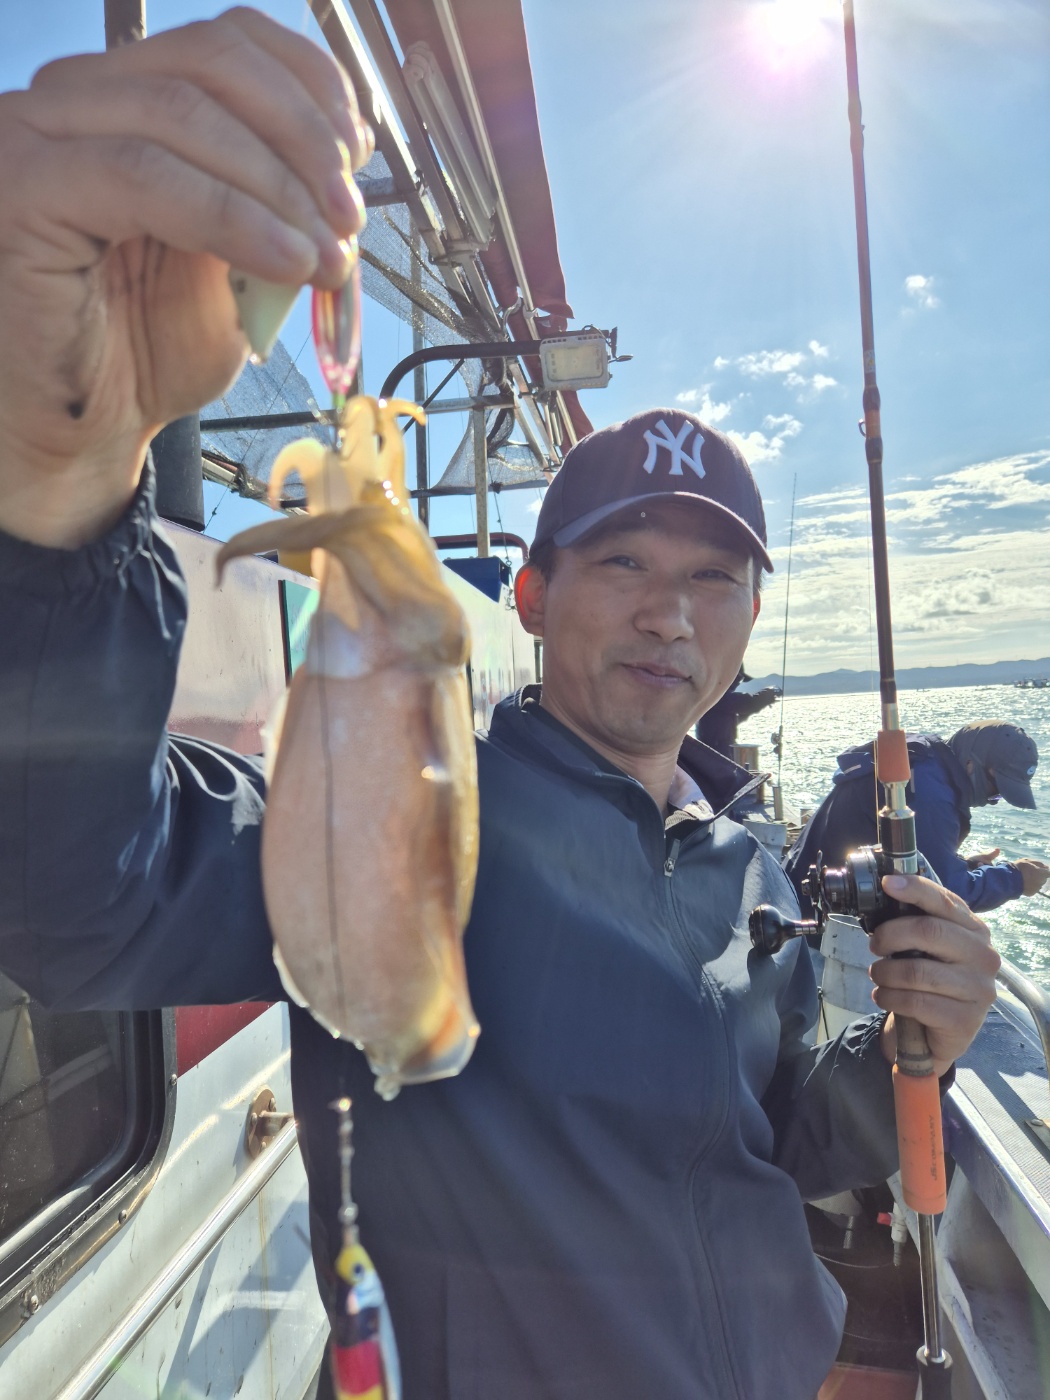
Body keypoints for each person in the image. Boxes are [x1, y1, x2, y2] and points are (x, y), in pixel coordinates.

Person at [0, 13, 1000, 1400]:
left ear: (747, 619)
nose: (670, 614)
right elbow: (83, 901)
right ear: (527, 598)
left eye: (713, 579)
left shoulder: (746, 859)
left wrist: (913, 1050)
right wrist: (59, 483)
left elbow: (780, 1138)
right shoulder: (405, 820)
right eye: (624, 565)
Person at [785, 723, 1048, 917]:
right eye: (996, 792)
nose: (992, 800)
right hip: (816, 922)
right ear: (971, 765)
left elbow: (908, 859)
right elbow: (944, 894)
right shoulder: (932, 796)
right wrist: (1015, 879)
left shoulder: (925, 764)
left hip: (793, 891)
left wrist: (965, 865)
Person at [694, 667, 780, 758]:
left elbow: (737, 712)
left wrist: (758, 705)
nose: (738, 682)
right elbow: (746, 703)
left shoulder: (715, 692)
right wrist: (767, 696)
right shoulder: (717, 694)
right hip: (715, 752)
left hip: (718, 748)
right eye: (738, 678)